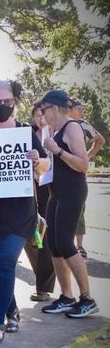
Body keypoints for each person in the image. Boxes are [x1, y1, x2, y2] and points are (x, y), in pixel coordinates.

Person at [0, 80, 49, 344]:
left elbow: (46, 166)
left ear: (14, 103)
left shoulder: (26, 132)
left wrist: (37, 160)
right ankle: (12, 311)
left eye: (8, 102)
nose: (3, 106)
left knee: (5, 262)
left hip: (20, 214)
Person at [38, 90, 99, 318]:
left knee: (66, 243)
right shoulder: (52, 130)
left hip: (73, 192)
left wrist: (58, 150)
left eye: (44, 109)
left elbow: (83, 164)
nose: (42, 114)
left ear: (55, 108)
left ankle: (87, 298)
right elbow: (53, 165)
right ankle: (66, 296)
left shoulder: (71, 127)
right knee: (54, 244)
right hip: (56, 192)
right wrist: (39, 158)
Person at [24, 105, 56, 302]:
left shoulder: (58, 132)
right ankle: (43, 280)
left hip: (52, 188)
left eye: (44, 115)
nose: (41, 119)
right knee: (32, 234)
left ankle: (43, 287)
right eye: (37, 115)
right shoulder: (26, 133)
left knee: (46, 236)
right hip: (32, 188)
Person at [68, 98, 106, 259]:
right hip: (59, 173)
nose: (82, 110)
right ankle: (62, 244)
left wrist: (87, 156)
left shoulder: (83, 124)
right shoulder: (57, 125)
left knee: (78, 209)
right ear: (69, 108)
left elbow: (100, 140)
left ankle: (79, 246)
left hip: (77, 172)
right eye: (79, 108)